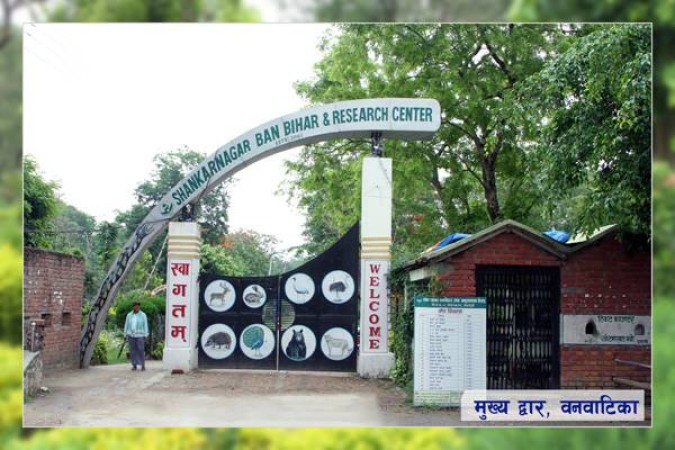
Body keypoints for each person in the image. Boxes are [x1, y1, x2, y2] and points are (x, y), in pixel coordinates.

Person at [124, 301, 149, 371]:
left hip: (140, 335)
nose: (137, 307)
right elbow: (126, 324)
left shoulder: (143, 315)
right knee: (132, 350)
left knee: (141, 349)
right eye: (135, 306)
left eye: (138, 306)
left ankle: (143, 365)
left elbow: (145, 325)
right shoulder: (129, 315)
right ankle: (134, 365)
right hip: (131, 335)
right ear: (133, 307)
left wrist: (146, 335)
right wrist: (125, 334)